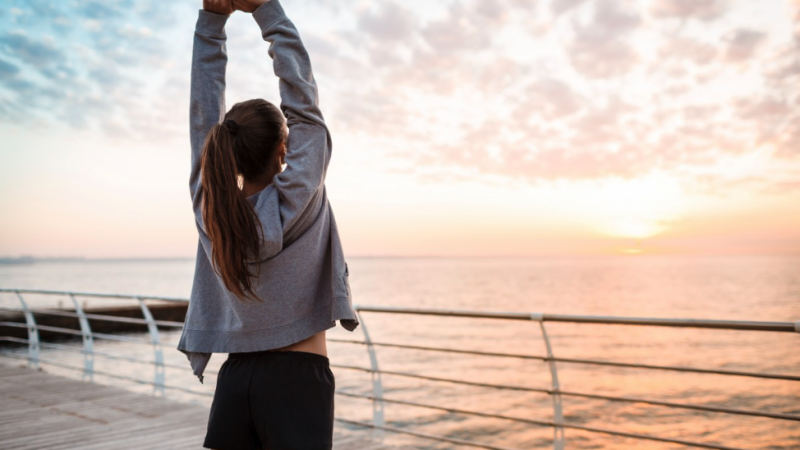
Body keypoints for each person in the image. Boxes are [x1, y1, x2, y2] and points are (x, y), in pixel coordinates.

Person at [176, 0, 360, 448]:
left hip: (236, 377)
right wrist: (265, 10)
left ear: (225, 151)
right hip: (299, 380)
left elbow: (204, 116)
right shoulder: (301, 194)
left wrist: (212, 21)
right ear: (284, 148)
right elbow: (304, 103)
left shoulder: (212, 213)